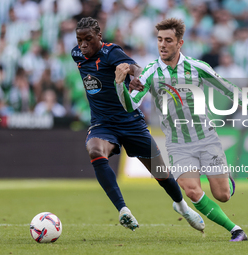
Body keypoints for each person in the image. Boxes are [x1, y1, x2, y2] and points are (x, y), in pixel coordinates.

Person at [114, 18, 248, 241]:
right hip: (177, 144)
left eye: (168, 40)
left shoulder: (197, 67)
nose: (162, 44)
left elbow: (228, 88)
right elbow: (130, 105)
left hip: (206, 138)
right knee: (190, 190)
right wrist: (119, 84)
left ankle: (226, 180)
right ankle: (236, 230)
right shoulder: (150, 73)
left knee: (223, 195)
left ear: (179, 43)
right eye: (160, 39)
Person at [71, 17, 205, 232]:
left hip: (130, 121)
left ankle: (182, 207)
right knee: (95, 150)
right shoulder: (77, 54)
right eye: (79, 40)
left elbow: (136, 69)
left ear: (99, 37)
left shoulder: (111, 52)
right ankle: (123, 210)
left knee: (161, 173)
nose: (83, 45)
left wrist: (136, 79)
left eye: (88, 39)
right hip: (103, 124)